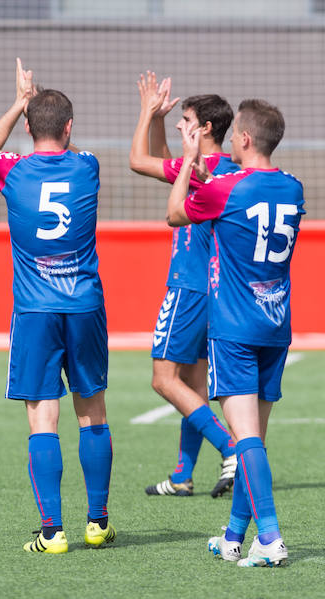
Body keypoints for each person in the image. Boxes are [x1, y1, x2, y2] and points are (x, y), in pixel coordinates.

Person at [0, 58, 114, 554]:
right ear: (71, 128)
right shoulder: (88, 165)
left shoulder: (12, 173)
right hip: (84, 306)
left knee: (42, 418)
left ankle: (51, 531)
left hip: (34, 311)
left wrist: (19, 101)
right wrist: (42, 115)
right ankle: (96, 523)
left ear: (29, 128)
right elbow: (66, 147)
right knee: (92, 412)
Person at [166, 99, 304, 567]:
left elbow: (174, 214)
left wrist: (187, 161)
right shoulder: (293, 187)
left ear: (243, 139)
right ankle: (232, 536)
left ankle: (270, 538)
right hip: (276, 324)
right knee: (255, 441)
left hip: (234, 329)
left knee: (245, 440)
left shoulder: (227, 188)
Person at [129, 71, 238, 498]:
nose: (180, 123)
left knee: (163, 379)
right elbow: (163, 162)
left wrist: (145, 111)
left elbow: (140, 161)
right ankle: (182, 476)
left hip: (188, 286)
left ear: (206, 128)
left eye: (185, 118)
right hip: (215, 290)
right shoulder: (225, 170)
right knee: (194, 385)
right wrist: (159, 120)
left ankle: (231, 448)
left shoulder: (198, 167)